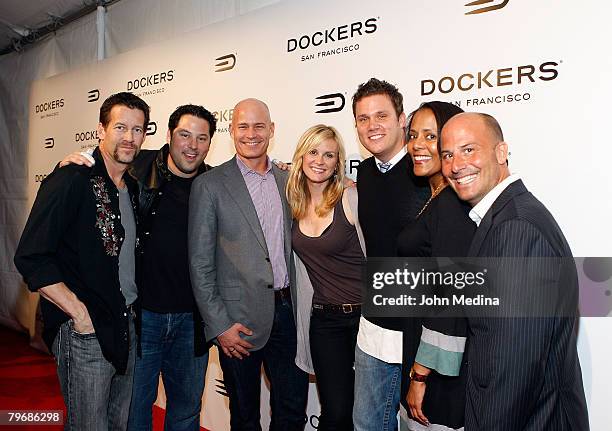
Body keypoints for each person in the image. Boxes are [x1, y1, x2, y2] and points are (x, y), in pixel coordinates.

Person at [440, 112, 589, 430]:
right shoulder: (505, 216)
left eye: (469, 150)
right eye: (447, 155)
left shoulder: (515, 228)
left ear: (501, 152)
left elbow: (513, 366)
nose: (456, 165)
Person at [14, 92, 150, 430]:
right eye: (120, 127)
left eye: (138, 129)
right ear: (100, 130)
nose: (129, 137)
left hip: (125, 325)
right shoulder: (72, 178)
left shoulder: (132, 186)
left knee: (118, 423)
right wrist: (77, 312)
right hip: (84, 332)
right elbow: (31, 256)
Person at [188, 98, 309, 430]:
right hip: (237, 322)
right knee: (244, 416)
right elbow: (199, 263)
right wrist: (219, 325)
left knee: (291, 410)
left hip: (288, 313)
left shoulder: (289, 179)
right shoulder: (209, 185)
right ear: (232, 131)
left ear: (272, 130)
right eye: (243, 126)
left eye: (259, 126)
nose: (251, 134)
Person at [351, 78, 429, 431]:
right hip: (373, 322)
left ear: (402, 120)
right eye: (363, 118)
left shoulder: (427, 172)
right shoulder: (365, 172)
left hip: (418, 328)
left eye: (381, 115)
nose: (372, 126)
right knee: (367, 423)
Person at [396, 102, 475, 431]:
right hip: (425, 354)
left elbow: (450, 299)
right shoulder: (436, 197)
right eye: (413, 134)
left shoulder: (452, 205)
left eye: (430, 136)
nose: (417, 144)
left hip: (440, 373)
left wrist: (420, 375)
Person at [288, 125, 365, 430]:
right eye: (313, 151)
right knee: (335, 412)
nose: (320, 160)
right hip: (324, 321)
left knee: (369, 409)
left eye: (328, 154)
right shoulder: (291, 201)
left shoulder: (350, 197)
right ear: (301, 156)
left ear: (337, 162)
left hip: (366, 318)